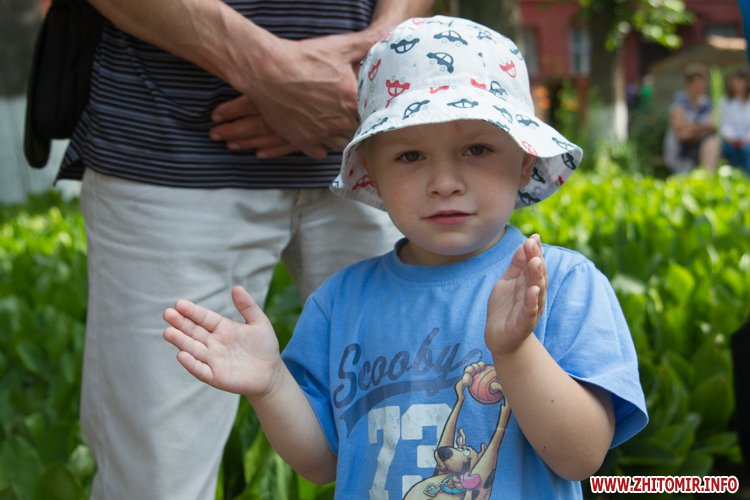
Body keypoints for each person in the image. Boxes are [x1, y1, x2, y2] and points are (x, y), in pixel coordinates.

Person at [163, 16, 648, 498]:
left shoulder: (560, 285)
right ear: (371, 172)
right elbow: (322, 461)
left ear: (524, 162)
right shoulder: (340, 302)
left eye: (476, 149)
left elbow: (581, 455)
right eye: (410, 156)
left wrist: (514, 350)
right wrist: (270, 385)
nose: (444, 182)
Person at [58, 1, 433, 498]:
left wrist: (377, 55)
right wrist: (267, 70)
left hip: (374, 148)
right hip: (171, 151)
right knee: (157, 480)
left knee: (423, 442)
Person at [663, 63, 720, 173]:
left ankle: (708, 176)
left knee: (712, 142)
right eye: (697, 83)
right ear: (689, 84)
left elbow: (713, 126)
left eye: (703, 83)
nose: (701, 86)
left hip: (700, 143)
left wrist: (692, 128)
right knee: (685, 135)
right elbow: (679, 130)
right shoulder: (680, 100)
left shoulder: (706, 103)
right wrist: (702, 127)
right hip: (680, 147)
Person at [719, 68, 750, 174]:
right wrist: (732, 139)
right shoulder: (725, 102)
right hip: (730, 141)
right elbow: (724, 124)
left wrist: (745, 139)